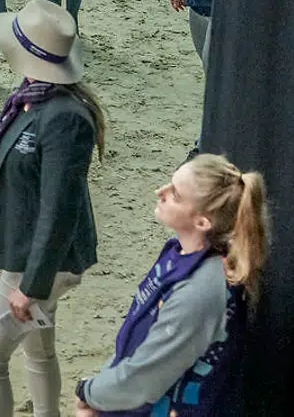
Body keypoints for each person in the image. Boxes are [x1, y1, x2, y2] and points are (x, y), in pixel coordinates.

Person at [0, 0, 104, 417]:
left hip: (40, 261)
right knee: (38, 349)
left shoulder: (64, 119)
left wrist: (32, 284)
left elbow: (60, 207)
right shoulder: (32, 98)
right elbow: (11, 165)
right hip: (36, 252)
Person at [74, 155, 268, 416]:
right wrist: (102, 390)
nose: (160, 192)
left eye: (175, 194)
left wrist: (89, 392)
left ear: (202, 222)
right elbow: (141, 337)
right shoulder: (179, 252)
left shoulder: (200, 290)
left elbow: (145, 378)